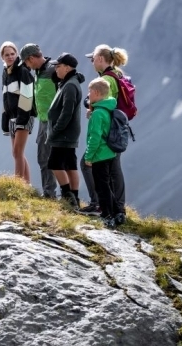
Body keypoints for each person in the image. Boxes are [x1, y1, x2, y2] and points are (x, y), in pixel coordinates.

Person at [86, 44, 129, 225]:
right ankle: (116, 210)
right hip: (113, 136)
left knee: (104, 179)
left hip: (104, 144)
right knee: (112, 173)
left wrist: (92, 108)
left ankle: (109, 212)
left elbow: (95, 135)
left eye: (93, 58)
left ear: (101, 59)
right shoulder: (117, 74)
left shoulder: (107, 80)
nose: (92, 61)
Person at [20, 44, 58, 198]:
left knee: (56, 158)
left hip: (55, 121)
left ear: (31, 58)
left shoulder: (54, 70)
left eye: (26, 62)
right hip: (43, 121)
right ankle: (48, 193)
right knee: (43, 157)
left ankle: (65, 194)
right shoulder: (38, 72)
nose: (26, 66)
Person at [47, 53, 84, 209]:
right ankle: (75, 199)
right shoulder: (69, 83)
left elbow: (66, 112)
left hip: (63, 134)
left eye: (59, 66)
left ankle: (67, 197)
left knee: (54, 163)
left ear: (68, 68)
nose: (56, 69)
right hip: (69, 134)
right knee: (70, 165)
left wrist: (55, 130)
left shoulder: (70, 86)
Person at [83, 77, 121, 228]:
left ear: (97, 93)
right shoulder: (108, 107)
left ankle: (107, 216)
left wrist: (89, 156)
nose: (88, 94)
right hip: (110, 153)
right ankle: (118, 213)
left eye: (90, 91)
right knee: (107, 185)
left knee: (101, 187)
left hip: (100, 154)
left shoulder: (98, 113)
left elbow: (95, 137)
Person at [0, 42, 35, 184]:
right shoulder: (6, 73)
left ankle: (18, 185)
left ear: (17, 54)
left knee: (17, 151)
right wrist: (5, 120)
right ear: (2, 57)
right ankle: (26, 185)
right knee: (16, 153)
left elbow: (27, 96)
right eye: (7, 55)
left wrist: (22, 119)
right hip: (12, 118)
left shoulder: (22, 71)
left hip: (24, 116)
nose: (10, 57)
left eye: (12, 54)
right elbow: (5, 97)